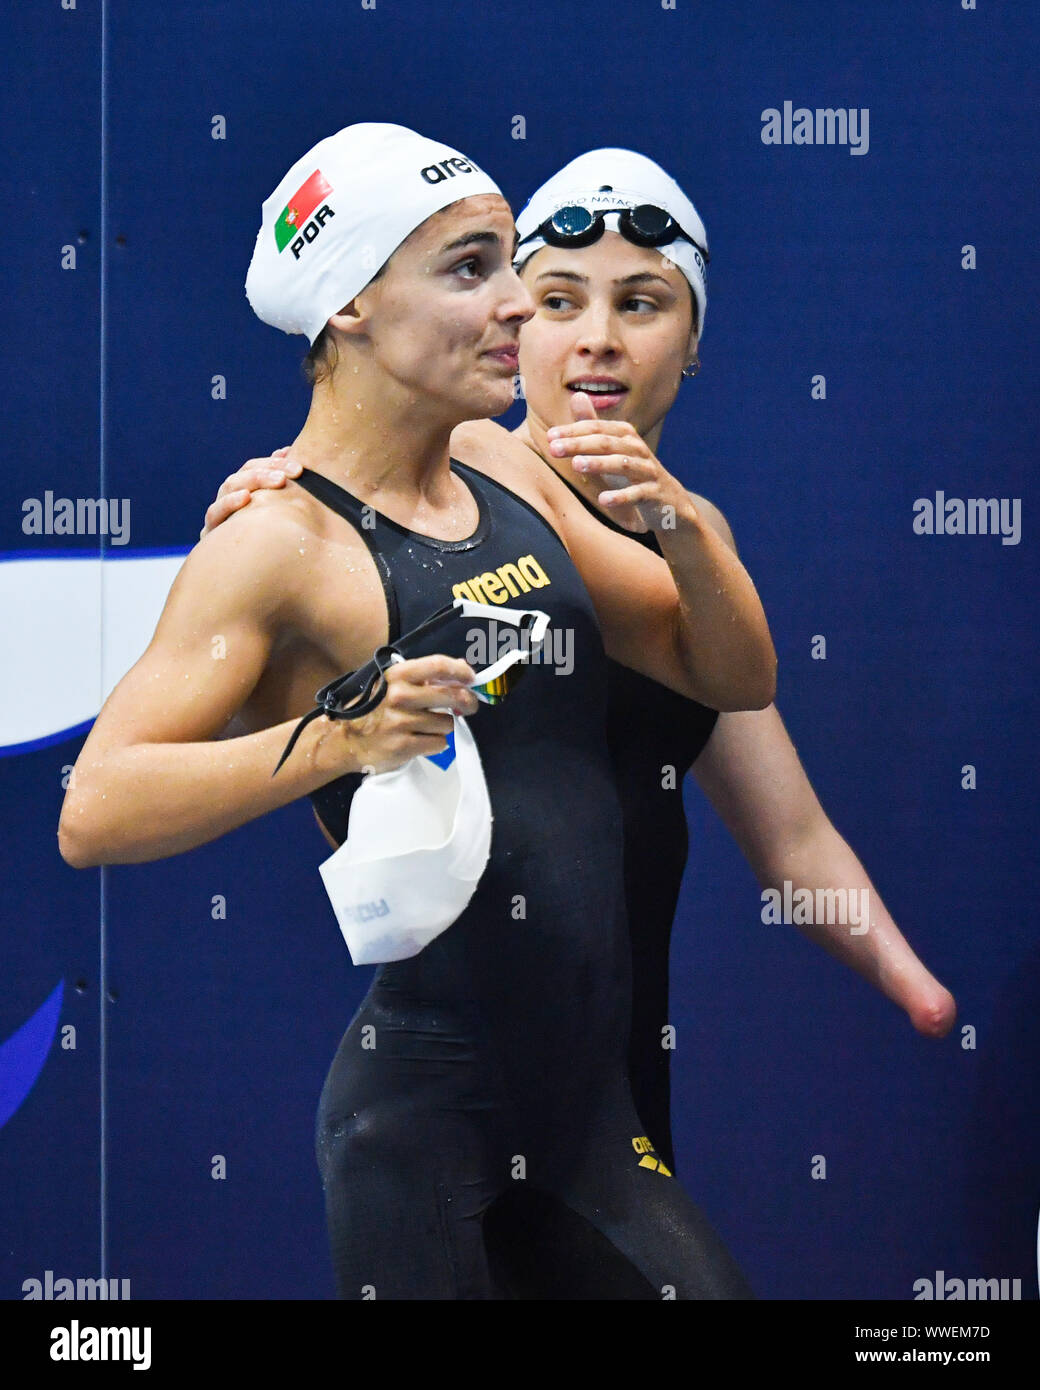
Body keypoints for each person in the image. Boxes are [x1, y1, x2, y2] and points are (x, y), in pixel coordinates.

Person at [59, 124, 777, 1299]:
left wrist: (684, 528)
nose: (515, 307)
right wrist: (334, 740)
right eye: (468, 269)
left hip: (587, 1112)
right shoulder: (277, 544)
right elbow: (94, 807)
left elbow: (731, 671)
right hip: (423, 1122)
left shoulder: (503, 472)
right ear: (348, 305)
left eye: (506, 263)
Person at [204, 146, 957, 1214]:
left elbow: (786, 828)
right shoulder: (458, 474)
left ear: (692, 336)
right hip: (479, 1057)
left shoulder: (692, 547)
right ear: (515, 319)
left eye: (642, 302)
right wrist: (281, 503)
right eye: (558, 299)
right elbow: (303, 703)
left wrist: (914, 988)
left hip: (619, 1047)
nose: (596, 337)